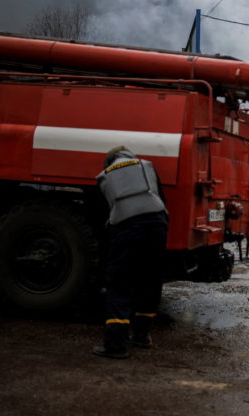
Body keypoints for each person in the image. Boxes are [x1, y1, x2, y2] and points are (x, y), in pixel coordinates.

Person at [93, 146, 169, 359]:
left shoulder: (105, 176)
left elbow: (105, 213)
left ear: (110, 161)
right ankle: (142, 336)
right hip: (157, 225)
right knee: (150, 280)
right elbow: (161, 199)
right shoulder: (147, 167)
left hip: (128, 228)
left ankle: (116, 345)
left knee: (119, 282)